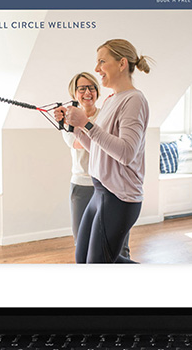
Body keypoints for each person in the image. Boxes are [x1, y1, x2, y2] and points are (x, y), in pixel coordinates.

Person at [60, 39, 152, 264]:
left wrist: (88, 124)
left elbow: (127, 152)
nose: (97, 69)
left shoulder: (134, 100)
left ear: (122, 63)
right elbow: (98, 149)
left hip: (119, 197)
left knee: (98, 263)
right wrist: (75, 126)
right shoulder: (112, 100)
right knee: (83, 259)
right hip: (101, 191)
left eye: (102, 61)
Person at [57, 71, 130, 260]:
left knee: (119, 246)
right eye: (82, 89)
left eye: (91, 88)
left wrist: (82, 123)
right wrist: (71, 121)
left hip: (110, 185)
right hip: (82, 186)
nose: (87, 92)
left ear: (97, 92)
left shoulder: (107, 114)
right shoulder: (69, 119)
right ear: (74, 94)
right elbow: (78, 143)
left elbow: (113, 145)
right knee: (82, 243)